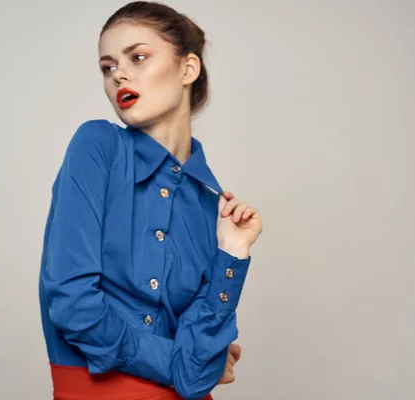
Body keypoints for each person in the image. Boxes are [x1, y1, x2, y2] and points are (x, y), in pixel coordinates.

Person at [38, 2, 263, 399]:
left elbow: (194, 378)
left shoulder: (213, 208)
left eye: (137, 57)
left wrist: (233, 253)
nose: (118, 74)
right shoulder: (97, 147)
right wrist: (189, 361)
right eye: (107, 67)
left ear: (187, 69)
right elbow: (72, 304)